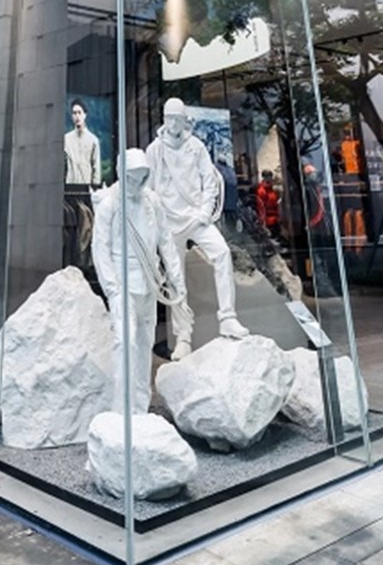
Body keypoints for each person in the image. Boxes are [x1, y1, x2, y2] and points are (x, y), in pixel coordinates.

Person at [146, 97, 248, 359]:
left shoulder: (196, 147)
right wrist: (158, 221)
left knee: (222, 253)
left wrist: (204, 211)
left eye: (177, 119)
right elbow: (148, 189)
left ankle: (227, 318)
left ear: (184, 120)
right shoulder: (155, 150)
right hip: (170, 223)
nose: (172, 123)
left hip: (196, 217)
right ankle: (183, 337)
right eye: (169, 118)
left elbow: (210, 181)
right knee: (175, 277)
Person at [91, 149, 186, 414]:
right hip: (123, 285)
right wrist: (112, 289)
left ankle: (141, 408)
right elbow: (100, 249)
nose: (136, 183)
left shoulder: (152, 202)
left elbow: (166, 241)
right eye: (132, 177)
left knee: (145, 345)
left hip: (149, 284)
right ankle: (122, 410)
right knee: (125, 343)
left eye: (142, 177)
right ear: (121, 173)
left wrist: (177, 279)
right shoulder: (110, 205)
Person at [64, 98, 101, 187]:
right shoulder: (66, 139)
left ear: (85, 115)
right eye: (74, 113)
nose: (77, 116)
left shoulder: (93, 140)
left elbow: (96, 168)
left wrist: (95, 188)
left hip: (87, 187)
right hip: (70, 186)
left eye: (79, 112)